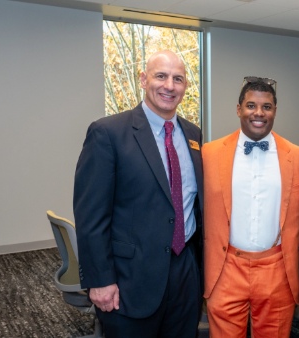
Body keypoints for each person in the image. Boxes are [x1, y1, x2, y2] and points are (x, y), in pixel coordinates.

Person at [73, 50, 203, 338]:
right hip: (130, 278)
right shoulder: (108, 133)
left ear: (185, 86)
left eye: (178, 79)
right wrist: (100, 280)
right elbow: (91, 216)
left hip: (185, 273)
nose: (169, 85)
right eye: (161, 76)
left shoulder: (193, 134)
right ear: (144, 80)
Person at [202, 77, 299, 337]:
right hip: (226, 268)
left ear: (274, 111)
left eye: (267, 107)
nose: (258, 113)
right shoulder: (208, 154)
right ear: (239, 109)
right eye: (251, 105)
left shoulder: (297, 156)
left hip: (277, 269)